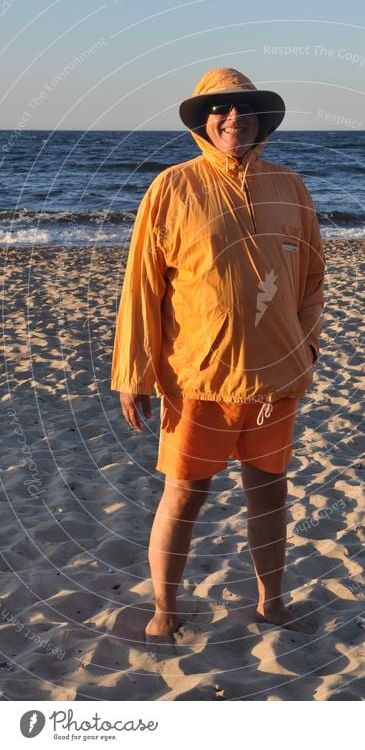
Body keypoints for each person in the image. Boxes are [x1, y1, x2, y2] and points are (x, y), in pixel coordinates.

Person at [111, 67, 325, 641]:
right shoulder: (172, 187)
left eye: (245, 108)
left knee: (269, 494)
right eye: (221, 109)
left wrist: (305, 343)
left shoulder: (290, 186)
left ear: (261, 119)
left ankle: (272, 605)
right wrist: (134, 374)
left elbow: (311, 277)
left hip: (275, 378)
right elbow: (143, 287)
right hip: (196, 377)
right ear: (203, 122)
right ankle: (164, 609)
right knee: (184, 495)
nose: (235, 117)